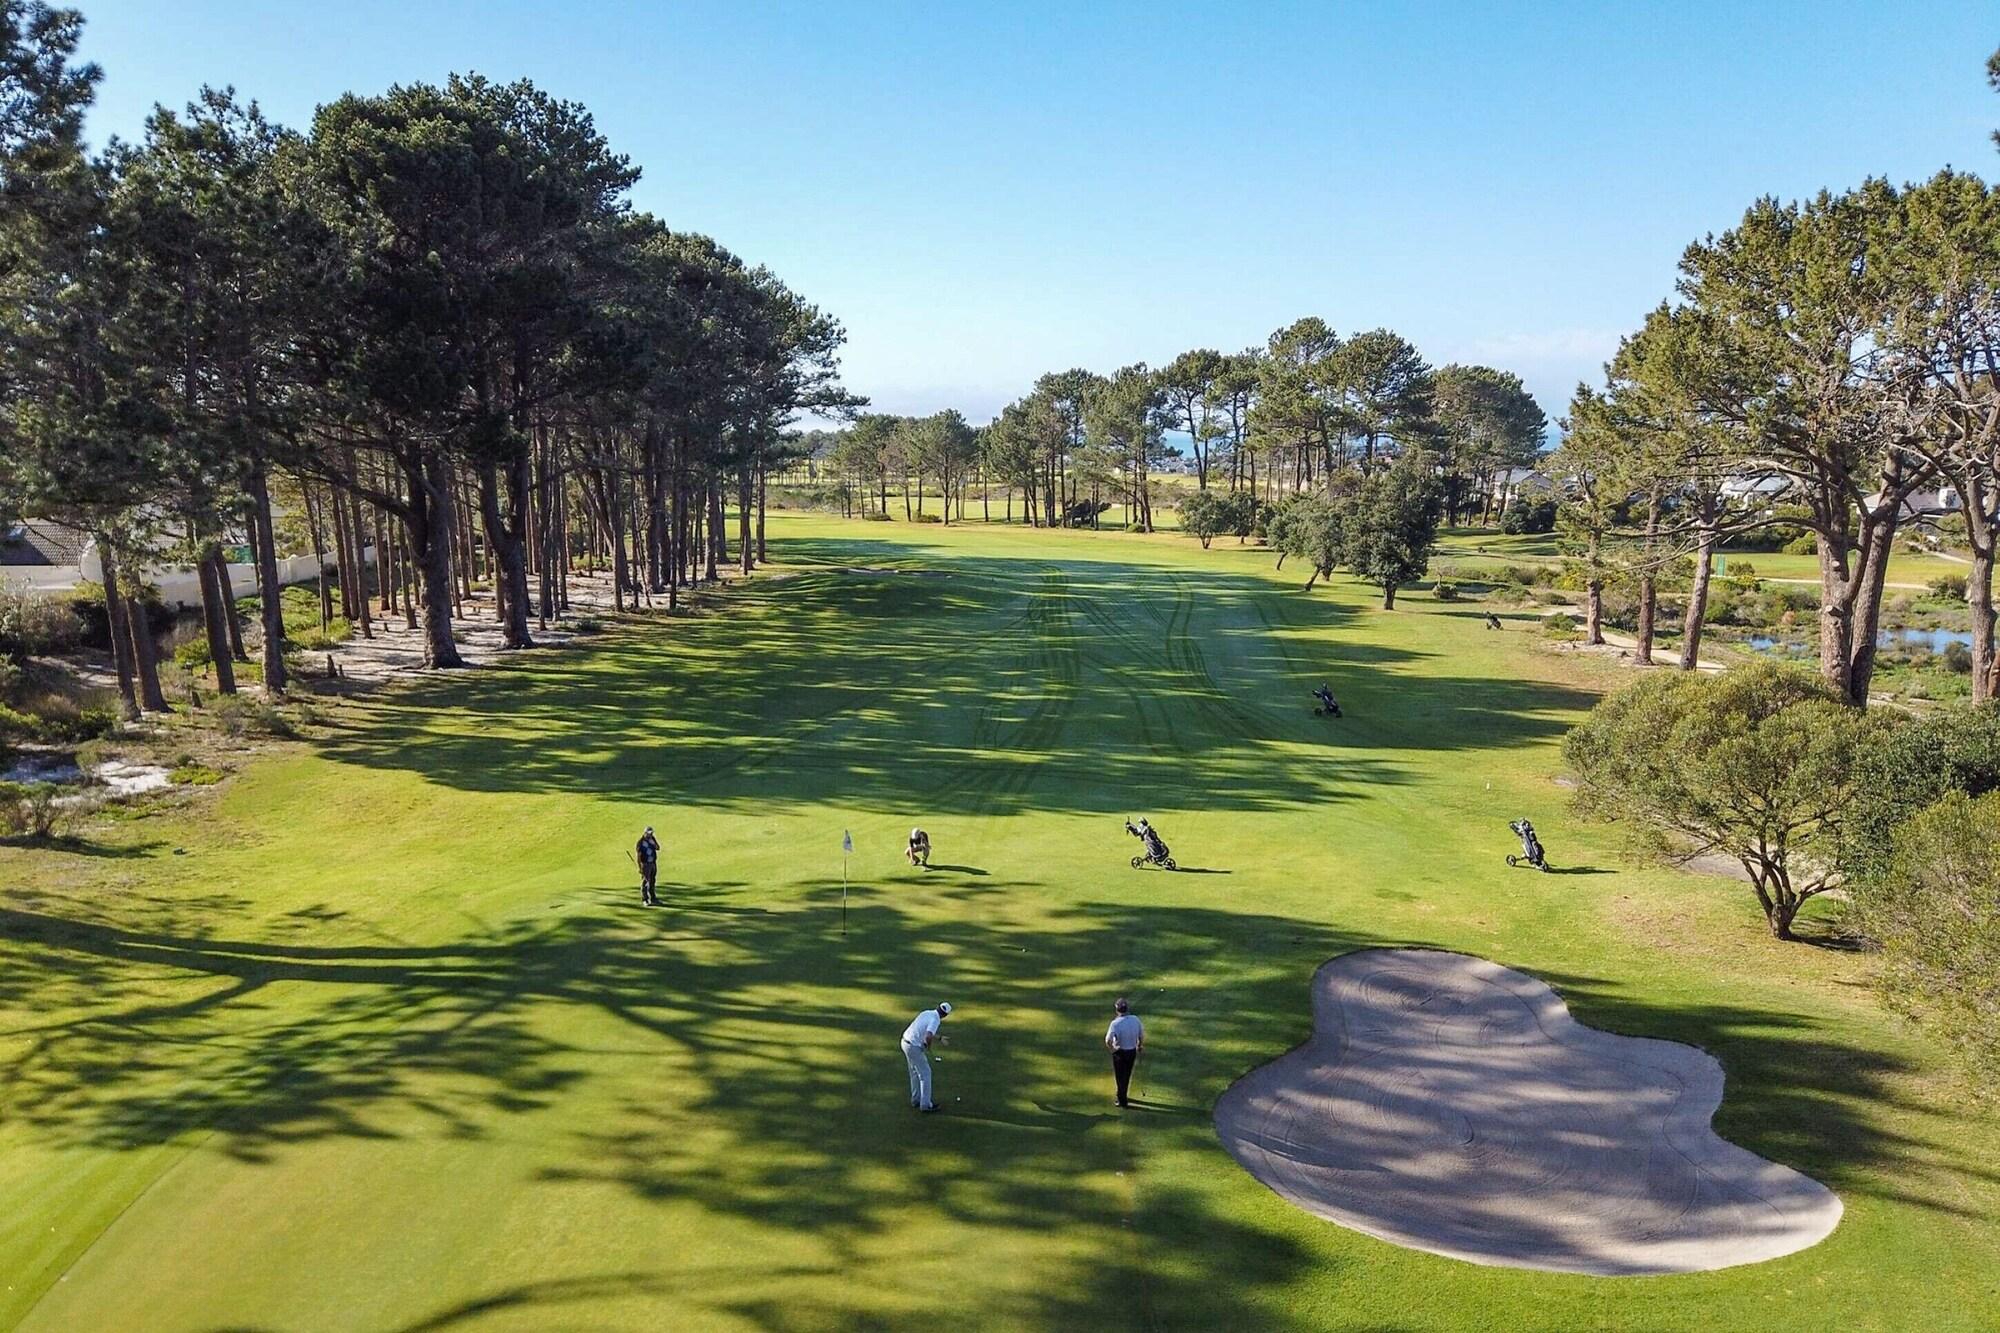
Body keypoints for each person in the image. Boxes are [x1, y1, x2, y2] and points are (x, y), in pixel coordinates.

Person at [901, 1000, 952, 1111]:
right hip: (913, 1047)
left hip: (905, 1042)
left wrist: (939, 1038)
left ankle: (916, 1100)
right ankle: (925, 1105)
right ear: (945, 1015)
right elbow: (928, 1036)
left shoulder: (927, 1013)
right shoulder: (935, 1020)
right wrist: (928, 1046)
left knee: (914, 1072)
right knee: (925, 1074)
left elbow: (925, 1030)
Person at [1104, 997, 1145, 1108]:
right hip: (1132, 1051)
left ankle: (1122, 1100)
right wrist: (1140, 1045)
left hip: (1120, 1052)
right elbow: (1141, 1034)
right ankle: (1122, 1094)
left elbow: (1108, 1040)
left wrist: (1112, 1049)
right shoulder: (1135, 1019)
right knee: (1126, 1074)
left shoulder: (1115, 1023)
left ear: (1117, 1010)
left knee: (1120, 1076)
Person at [635, 826, 660, 907]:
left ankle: (653, 898)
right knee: (645, 883)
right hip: (645, 865)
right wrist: (640, 867)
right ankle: (645, 899)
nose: (651, 835)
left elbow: (658, 848)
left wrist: (653, 843)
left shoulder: (652, 839)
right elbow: (638, 857)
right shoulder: (640, 843)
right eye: (649, 833)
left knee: (652, 881)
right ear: (645, 833)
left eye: (652, 833)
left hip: (653, 863)